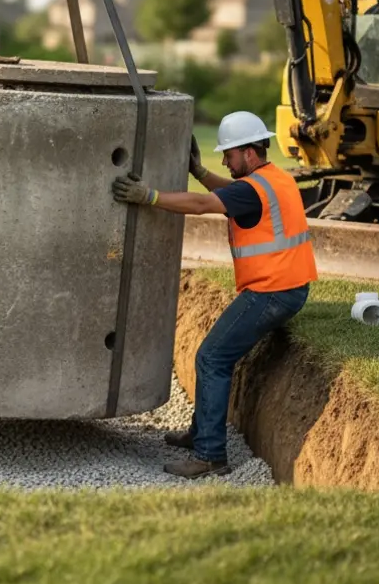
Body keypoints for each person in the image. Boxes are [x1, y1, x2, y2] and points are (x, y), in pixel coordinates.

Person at [111, 111, 317, 479]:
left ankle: (210, 455)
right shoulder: (273, 179)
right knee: (214, 356)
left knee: (211, 358)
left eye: (229, 155)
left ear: (249, 153)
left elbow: (203, 204)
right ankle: (200, 432)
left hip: (272, 291)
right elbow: (230, 194)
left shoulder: (252, 189)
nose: (224, 161)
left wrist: (149, 196)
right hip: (287, 287)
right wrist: (199, 171)